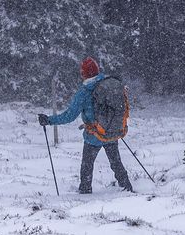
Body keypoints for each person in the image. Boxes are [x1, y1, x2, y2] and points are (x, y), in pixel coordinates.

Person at [39, 57, 134, 194]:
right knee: (116, 162)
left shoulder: (84, 93)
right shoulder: (108, 84)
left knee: (87, 165)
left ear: (83, 74)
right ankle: (126, 186)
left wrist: (49, 120)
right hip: (112, 131)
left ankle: (85, 190)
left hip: (94, 134)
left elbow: (69, 116)